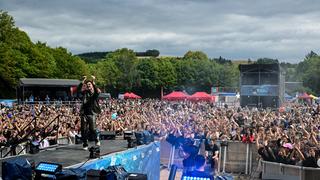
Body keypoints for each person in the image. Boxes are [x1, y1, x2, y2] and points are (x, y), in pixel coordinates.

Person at [80, 75, 101, 150]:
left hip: (92, 113)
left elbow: (96, 92)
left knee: (92, 129)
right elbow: (79, 90)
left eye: (90, 84)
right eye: (87, 85)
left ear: (92, 85)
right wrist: (83, 81)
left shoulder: (95, 94)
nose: (88, 85)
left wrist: (93, 82)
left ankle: (97, 139)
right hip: (84, 113)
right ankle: (85, 144)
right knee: (83, 129)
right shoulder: (85, 93)